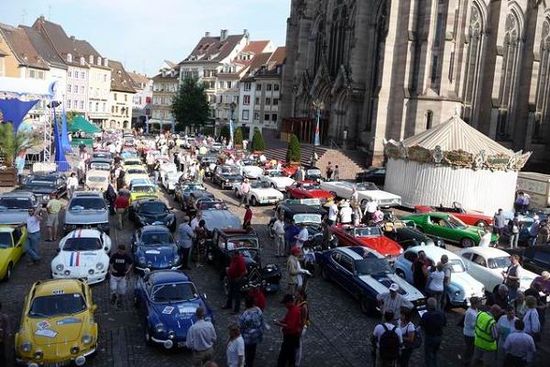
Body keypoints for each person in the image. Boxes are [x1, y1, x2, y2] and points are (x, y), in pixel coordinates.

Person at [275, 294, 303, 367]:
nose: (285, 305)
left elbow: (290, 326)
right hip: (290, 336)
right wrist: (281, 321)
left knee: (283, 356)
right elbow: (287, 320)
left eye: (285, 303)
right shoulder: (292, 310)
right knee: (290, 355)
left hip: (291, 337)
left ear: (290, 302)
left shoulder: (294, 311)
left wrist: (279, 324)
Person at [420, 297, 446, 367]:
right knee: (435, 353)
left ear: (428, 305)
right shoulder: (441, 313)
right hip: (439, 337)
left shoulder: (426, 315)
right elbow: (444, 324)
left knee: (428, 355)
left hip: (429, 337)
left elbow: (422, 325)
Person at [239, 296, 264, 367]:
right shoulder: (258, 310)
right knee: (253, 350)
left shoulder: (245, 314)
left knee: (246, 351)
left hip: (247, 337)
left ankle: (246, 363)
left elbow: (241, 325)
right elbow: (262, 321)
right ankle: (250, 364)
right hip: (256, 335)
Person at [462, 297, 480, 367]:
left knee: (471, 348)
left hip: (472, 333)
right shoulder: (470, 313)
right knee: (469, 349)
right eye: (478, 303)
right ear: (474, 304)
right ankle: (466, 361)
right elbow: (472, 325)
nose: (479, 304)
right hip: (469, 334)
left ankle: (468, 360)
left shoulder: (475, 309)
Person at [295, 290, 310, 367]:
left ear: (301, 295)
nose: (296, 294)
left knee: (298, 344)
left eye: (297, 294)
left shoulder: (304, 306)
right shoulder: (297, 301)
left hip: (301, 327)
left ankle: (297, 362)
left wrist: (300, 331)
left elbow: (304, 319)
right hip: (297, 325)